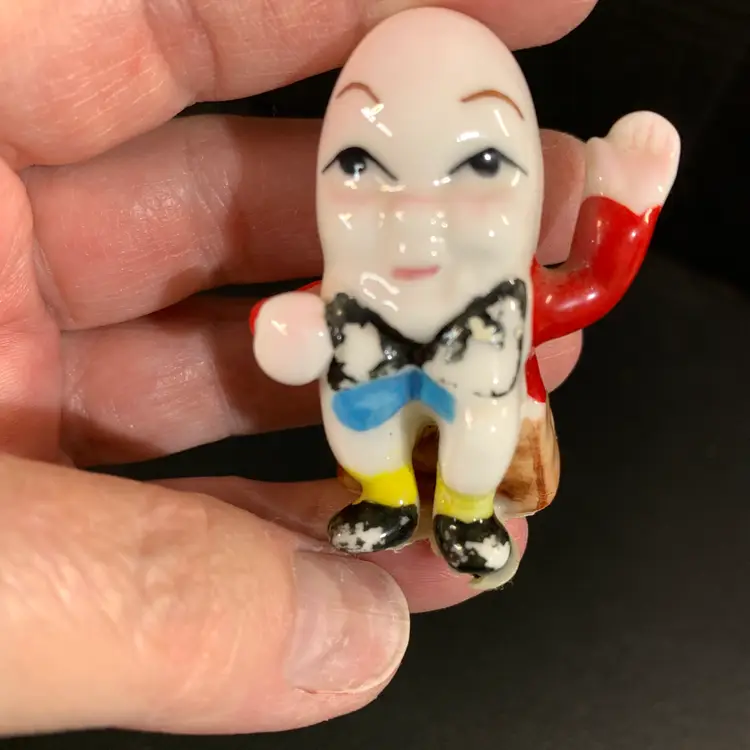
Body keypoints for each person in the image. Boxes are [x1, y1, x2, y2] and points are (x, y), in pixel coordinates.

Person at [0, 0, 591, 737]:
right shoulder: (351, 286)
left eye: (482, 165)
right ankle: (387, 502)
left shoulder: (509, 293)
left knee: (478, 443)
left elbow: (591, 286)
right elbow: (289, 333)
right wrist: (288, 329)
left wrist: (629, 202)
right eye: (360, 166)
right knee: (365, 438)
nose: (413, 210)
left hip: (476, 381)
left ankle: (466, 514)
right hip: (368, 373)